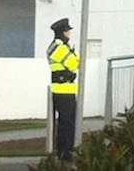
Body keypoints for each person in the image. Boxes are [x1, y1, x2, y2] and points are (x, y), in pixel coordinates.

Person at [47, 18, 80, 164]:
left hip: (64, 90)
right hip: (63, 91)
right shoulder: (59, 48)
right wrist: (73, 55)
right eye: (68, 31)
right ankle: (65, 152)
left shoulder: (59, 47)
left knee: (66, 122)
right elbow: (74, 64)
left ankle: (65, 150)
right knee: (66, 122)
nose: (70, 33)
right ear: (62, 32)